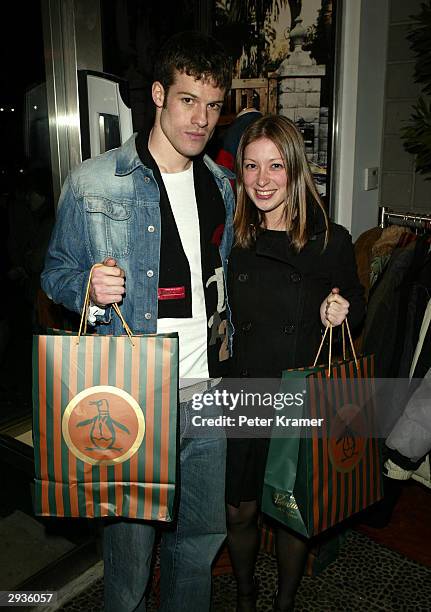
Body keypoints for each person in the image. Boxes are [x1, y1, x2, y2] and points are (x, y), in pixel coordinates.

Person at [41, 31, 234, 612]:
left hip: (209, 391)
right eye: (188, 100)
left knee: (199, 547)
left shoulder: (221, 185)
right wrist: (91, 293)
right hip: (133, 397)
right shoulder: (94, 182)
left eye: (214, 104)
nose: (201, 119)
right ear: (158, 94)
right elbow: (55, 275)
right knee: (128, 565)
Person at [225, 115, 365, 611]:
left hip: (297, 396)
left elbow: (355, 302)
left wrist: (340, 308)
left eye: (275, 166)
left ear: (295, 169)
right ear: (240, 172)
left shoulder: (331, 240)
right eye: (251, 166)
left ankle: (284, 603)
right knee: (238, 512)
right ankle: (245, 593)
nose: (262, 180)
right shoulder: (234, 239)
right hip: (243, 391)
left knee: (289, 511)